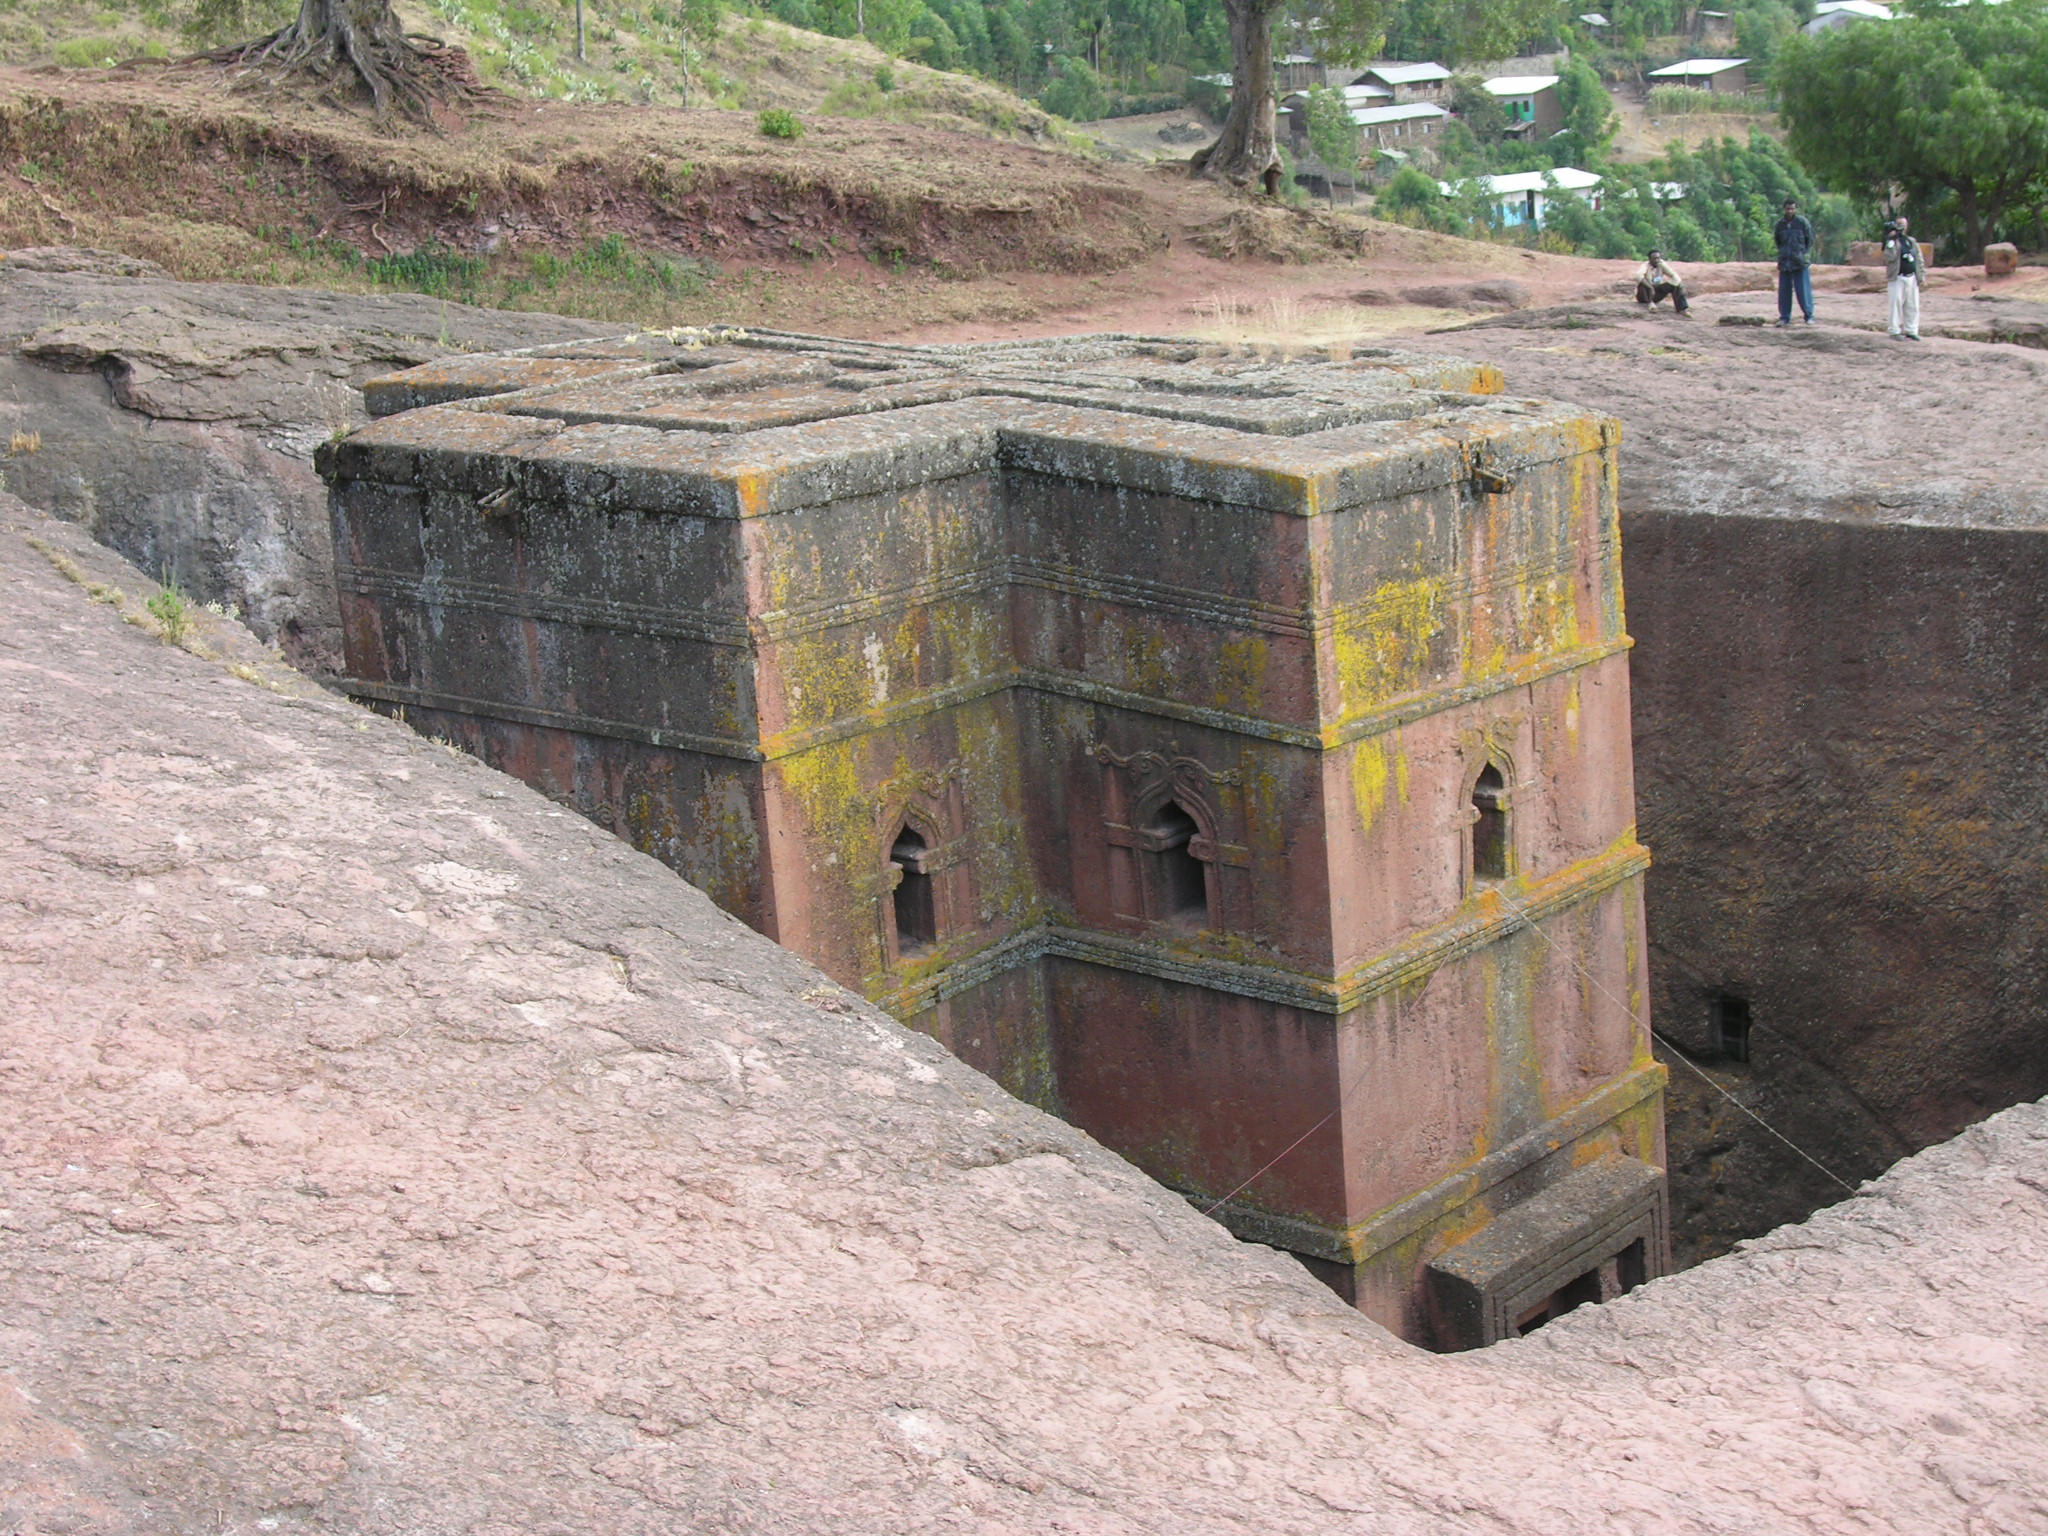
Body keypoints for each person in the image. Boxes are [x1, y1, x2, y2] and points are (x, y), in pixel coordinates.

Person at [1774, 197, 1816, 327]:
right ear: (1784, 209)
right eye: (1788, 209)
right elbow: (1778, 241)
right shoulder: (1780, 224)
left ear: (1795, 209)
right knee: (1784, 292)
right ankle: (1784, 317)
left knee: (1803, 291)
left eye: (1792, 209)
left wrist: (1802, 254)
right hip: (1785, 262)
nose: (1790, 211)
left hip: (1800, 262)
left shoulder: (1802, 223)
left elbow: (1810, 240)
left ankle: (1809, 316)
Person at [1884, 215, 1923, 341]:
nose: (1902, 227)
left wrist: (1921, 275)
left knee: (1913, 305)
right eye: (1900, 224)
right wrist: (1890, 240)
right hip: (1898, 277)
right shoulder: (1893, 242)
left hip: (1911, 277)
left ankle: (1911, 330)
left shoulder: (1911, 241)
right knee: (1895, 304)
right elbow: (1889, 258)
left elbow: (1919, 258)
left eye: (1904, 224)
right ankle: (1894, 330)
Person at [1635, 249, 1690, 314]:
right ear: (1649, 259)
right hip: (1644, 295)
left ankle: (1682, 309)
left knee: (1676, 285)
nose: (1656, 260)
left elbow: (1674, 275)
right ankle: (1650, 304)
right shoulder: (1645, 265)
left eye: (1658, 258)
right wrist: (1650, 287)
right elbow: (1638, 275)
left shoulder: (1662, 264)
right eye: (1654, 259)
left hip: (1656, 292)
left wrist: (1680, 286)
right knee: (1643, 283)